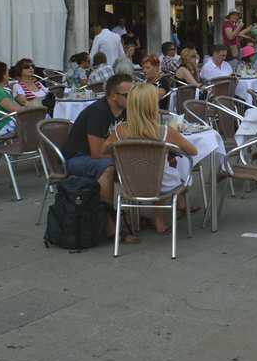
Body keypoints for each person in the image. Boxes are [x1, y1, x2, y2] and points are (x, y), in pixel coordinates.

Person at [102, 83, 198, 234]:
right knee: (172, 171)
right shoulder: (165, 131)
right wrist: (171, 147)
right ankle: (162, 217)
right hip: (162, 184)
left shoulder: (120, 130)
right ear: (153, 106)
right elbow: (193, 151)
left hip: (131, 184)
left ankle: (153, 218)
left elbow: (104, 149)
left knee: (157, 171)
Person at [61, 74, 134, 240]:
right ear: (114, 96)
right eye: (128, 95)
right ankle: (108, 225)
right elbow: (97, 153)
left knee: (140, 162)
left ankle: (143, 213)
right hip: (76, 158)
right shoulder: (98, 112)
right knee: (107, 168)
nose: (133, 98)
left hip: (102, 155)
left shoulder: (126, 110)